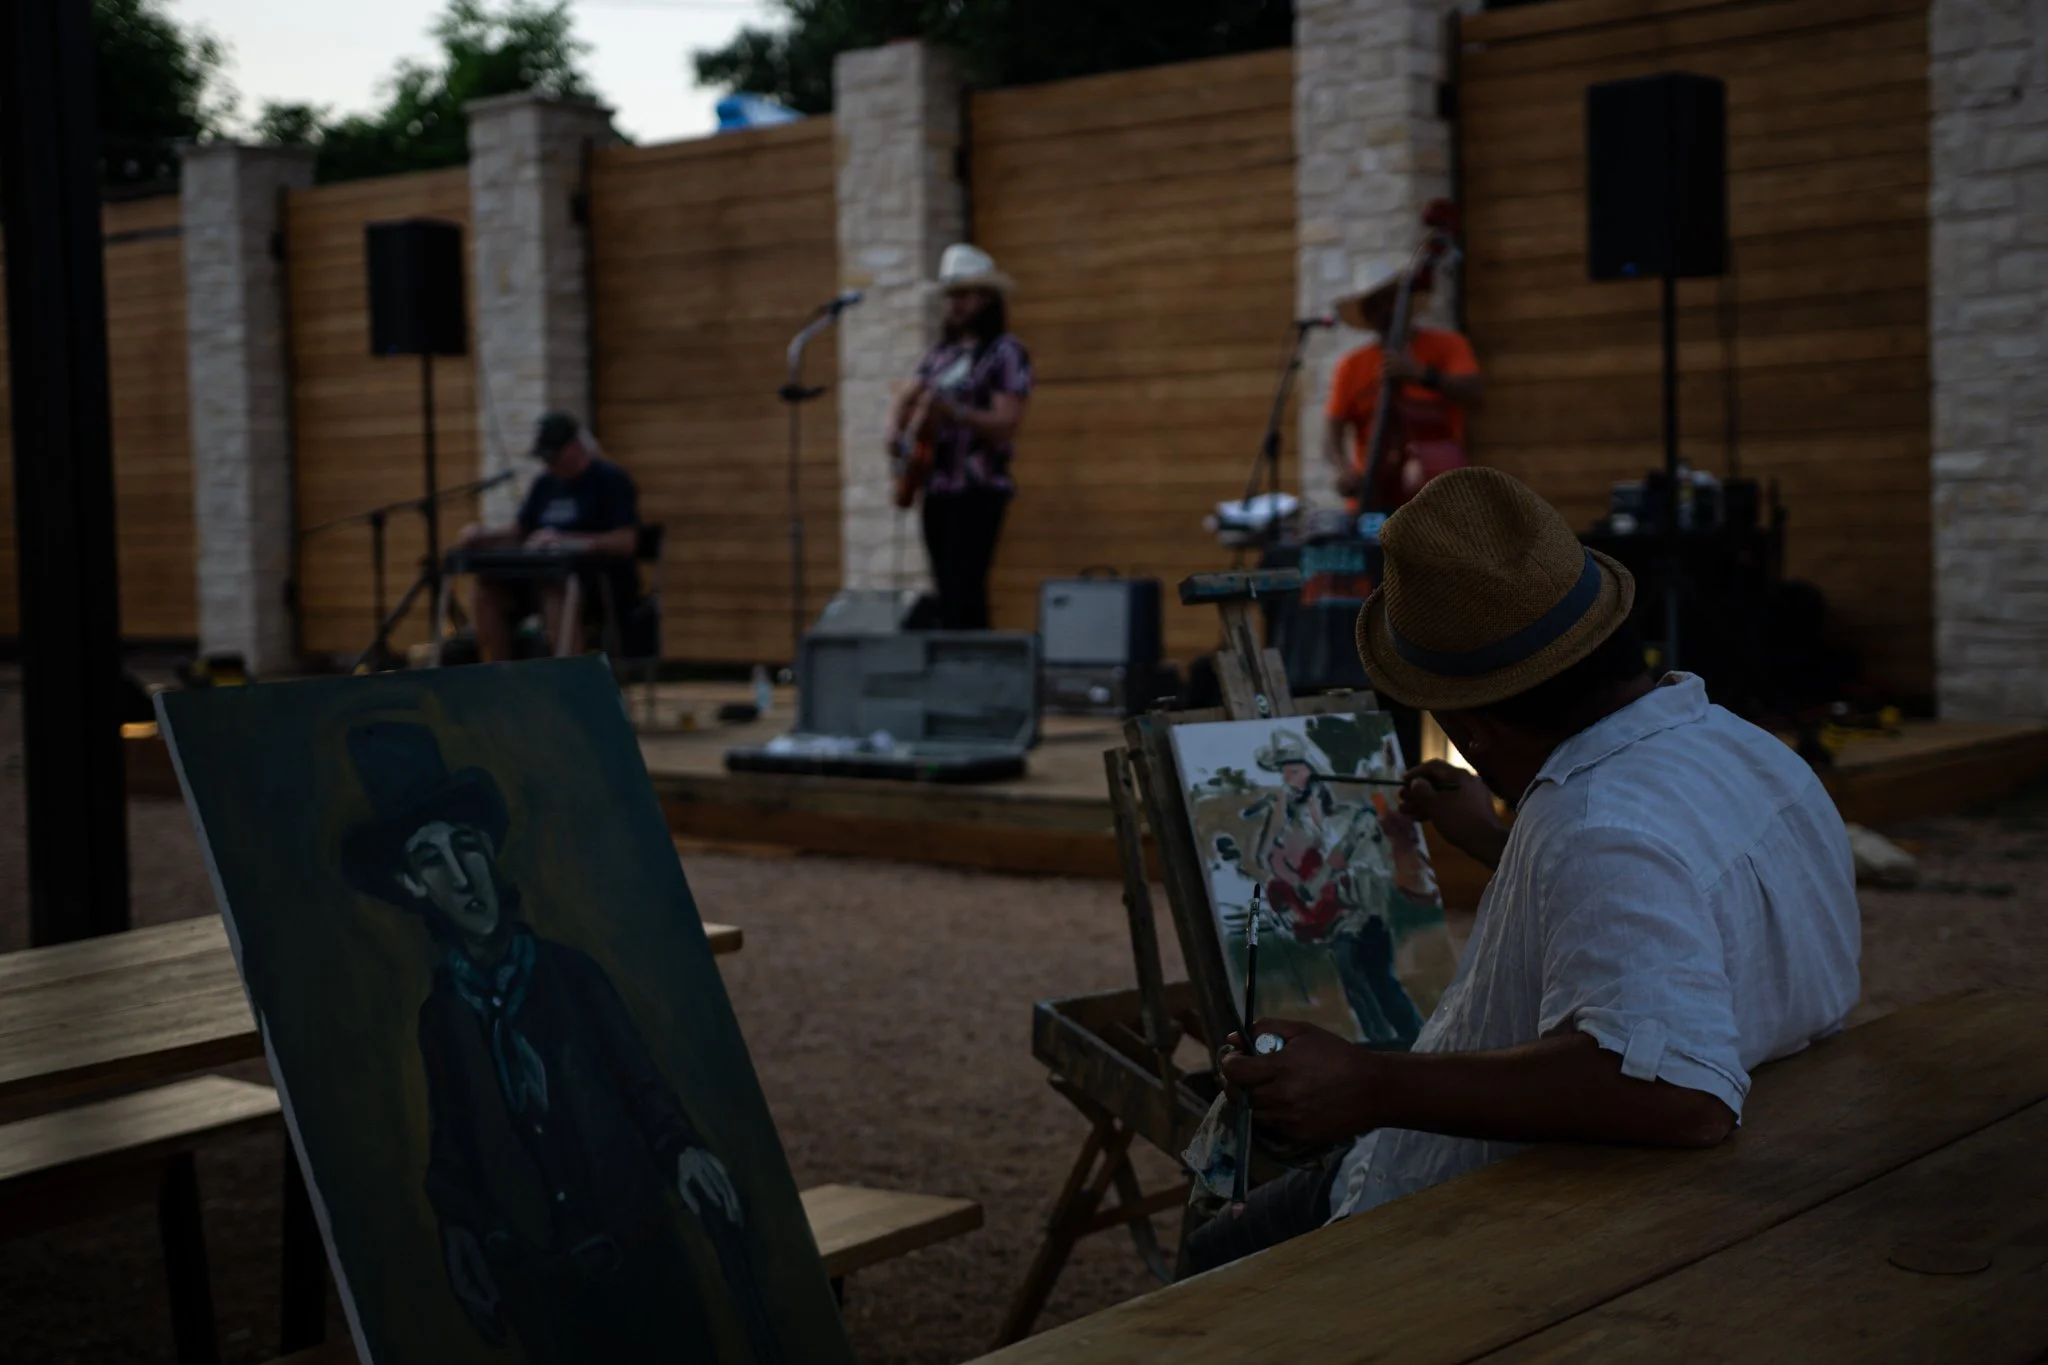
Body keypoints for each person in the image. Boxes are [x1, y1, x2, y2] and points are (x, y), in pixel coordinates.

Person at [1185, 467, 1860, 1274]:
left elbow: (1680, 1094)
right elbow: (1664, 903)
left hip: (1508, 1221)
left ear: (1474, 723)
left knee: (1208, 1268)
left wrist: (1371, 1083)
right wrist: (1500, 843)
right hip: (1690, 1180)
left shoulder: (1591, 823)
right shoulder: (1740, 745)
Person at [339, 721, 780, 1363]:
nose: (462, 878)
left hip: (643, 1262)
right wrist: (461, 1227)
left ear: (490, 849)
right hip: (549, 1291)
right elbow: (454, 1146)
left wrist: (683, 1149)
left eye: (467, 847)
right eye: (430, 859)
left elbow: (642, 1087)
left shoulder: (572, 977)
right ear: (410, 885)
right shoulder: (443, 1018)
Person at [1229, 731, 1423, 1048]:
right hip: (1334, 922)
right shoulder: (1294, 827)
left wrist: (1339, 871)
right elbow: (1266, 861)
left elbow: (1377, 866)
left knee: (1381, 981)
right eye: (1284, 773)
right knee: (1355, 983)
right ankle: (1378, 1047)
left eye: (1293, 770)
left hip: (1366, 913)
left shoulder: (1351, 817)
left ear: (1312, 769)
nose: (1287, 779)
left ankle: (1418, 1041)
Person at [885, 243, 1033, 630]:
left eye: (964, 295)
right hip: (936, 484)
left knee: (966, 586)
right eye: (952, 295)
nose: (956, 304)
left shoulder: (1005, 353)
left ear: (986, 298)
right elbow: (908, 394)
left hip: (979, 485)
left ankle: (975, 671)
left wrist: (956, 413)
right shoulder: (941, 355)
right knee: (946, 589)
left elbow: (1007, 421)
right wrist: (895, 426)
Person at [457, 412, 640, 662]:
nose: (549, 464)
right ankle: (498, 676)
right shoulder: (545, 483)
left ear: (574, 448)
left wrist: (567, 541)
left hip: (598, 585)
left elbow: (626, 542)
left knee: (557, 588)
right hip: (540, 579)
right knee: (486, 588)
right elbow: (521, 532)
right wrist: (486, 535)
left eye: (553, 456)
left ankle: (566, 682)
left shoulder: (610, 480)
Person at [1322, 262, 1483, 515]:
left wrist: (1421, 374)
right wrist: (1344, 470)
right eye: (1373, 306)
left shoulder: (1448, 345)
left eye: (1390, 302)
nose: (1384, 312)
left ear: (1406, 304)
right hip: (1372, 496)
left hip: (1436, 492)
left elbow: (1474, 393)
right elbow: (1332, 431)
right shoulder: (1351, 365)